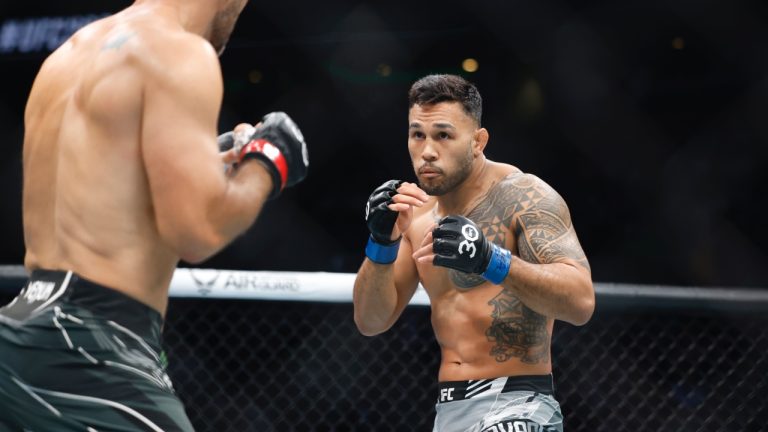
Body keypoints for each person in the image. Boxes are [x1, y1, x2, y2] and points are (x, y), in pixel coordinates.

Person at [0, 0, 308, 430]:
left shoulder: (67, 55)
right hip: (92, 342)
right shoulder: (179, 52)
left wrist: (207, 166)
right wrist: (269, 162)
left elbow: (102, 191)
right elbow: (198, 231)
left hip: (24, 324)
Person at [353, 74, 594, 432]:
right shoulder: (415, 215)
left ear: (478, 141)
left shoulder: (523, 197)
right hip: (450, 410)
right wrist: (380, 243)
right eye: (417, 134)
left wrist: (489, 260)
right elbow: (371, 321)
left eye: (443, 135)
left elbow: (580, 302)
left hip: (520, 406)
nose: (428, 151)